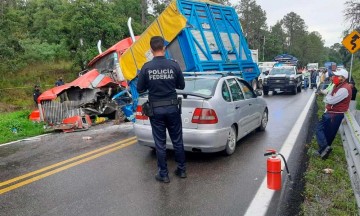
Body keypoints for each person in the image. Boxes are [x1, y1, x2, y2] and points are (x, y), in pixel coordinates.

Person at [137, 36, 186, 183]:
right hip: (172, 108)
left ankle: (163, 174)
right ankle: (181, 170)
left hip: (156, 110)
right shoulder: (174, 65)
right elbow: (181, 86)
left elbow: (140, 89)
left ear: (151, 50)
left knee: (160, 143)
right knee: (177, 140)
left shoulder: (146, 67)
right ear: (164, 48)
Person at [315, 69, 352, 159]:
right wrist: (329, 95)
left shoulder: (344, 89)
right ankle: (323, 152)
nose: (334, 77)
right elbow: (330, 96)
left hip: (335, 114)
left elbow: (331, 100)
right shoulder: (337, 86)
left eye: (337, 76)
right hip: (332, 113)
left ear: (343, 78)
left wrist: (327, 96)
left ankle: (324, 149)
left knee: (320, 129)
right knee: (327, 133)